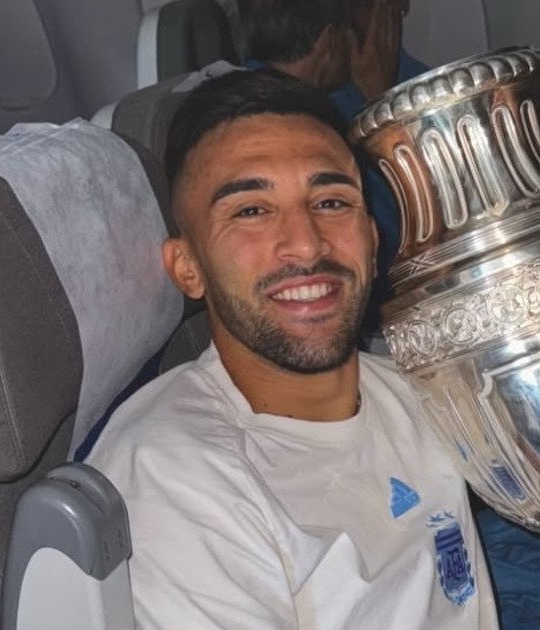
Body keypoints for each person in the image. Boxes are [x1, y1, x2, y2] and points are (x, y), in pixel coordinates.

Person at [86, 69, 497, 629]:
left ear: (373, 240)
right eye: (251, 211)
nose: (305, 243)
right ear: (188, 268)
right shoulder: (173, 480)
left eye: (330, 201)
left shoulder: (419, 391)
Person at [240, 0, 429, 339]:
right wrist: (380, 106)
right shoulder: (305, 124)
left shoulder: (247, 94)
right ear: (330, 41)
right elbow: (402, 241)